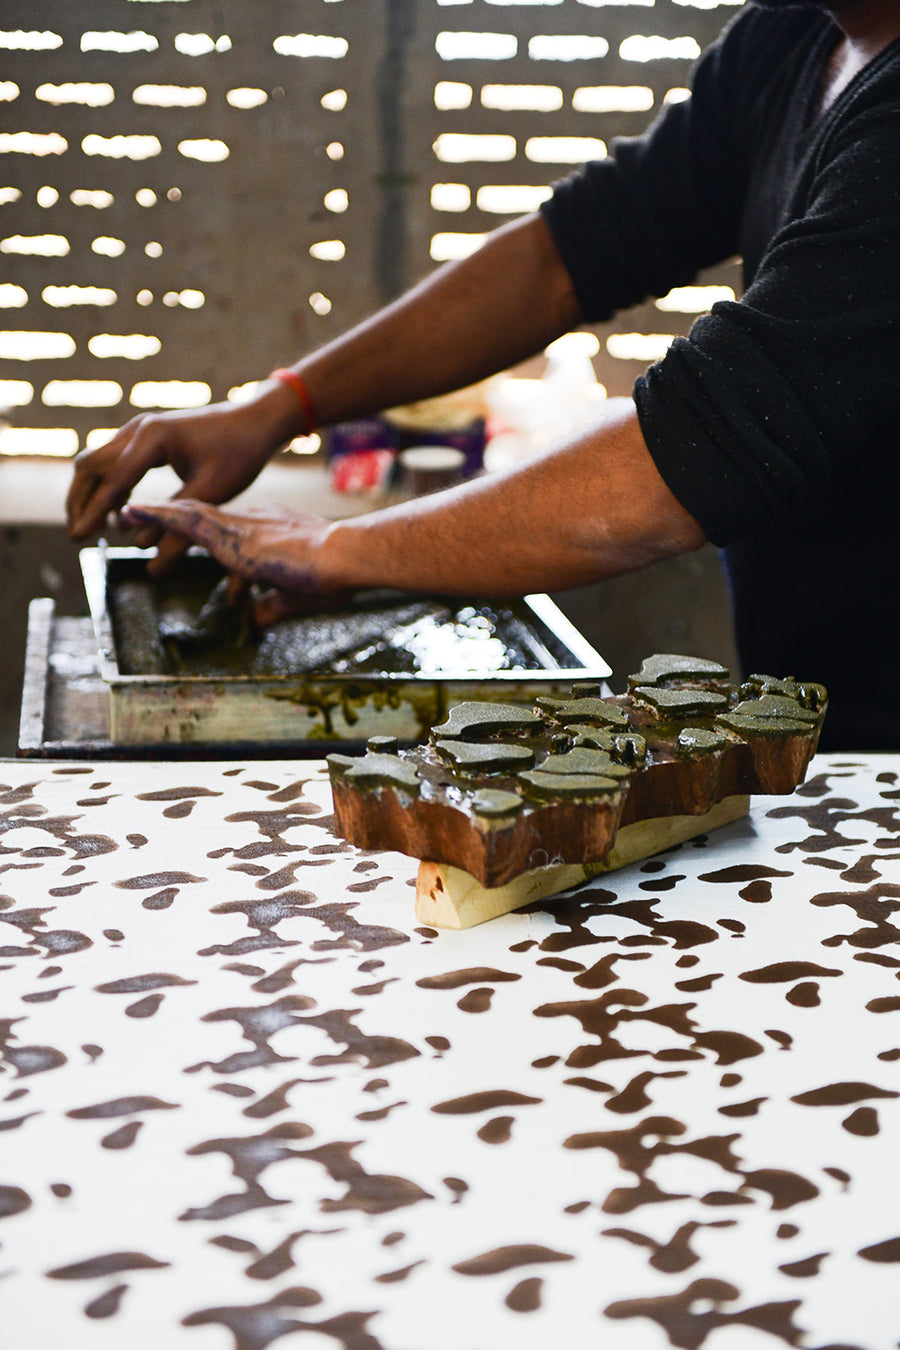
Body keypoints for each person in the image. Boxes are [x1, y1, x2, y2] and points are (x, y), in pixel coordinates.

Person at [66, 0, 900, 751]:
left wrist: (338, 548)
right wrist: (280, 406)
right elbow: (566, 254)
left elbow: (680, 466)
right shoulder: (793, 36)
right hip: (829, 720)